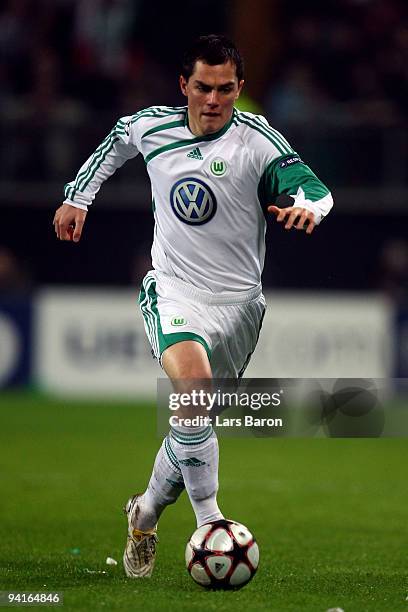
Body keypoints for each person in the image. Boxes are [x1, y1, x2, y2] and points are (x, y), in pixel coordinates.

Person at [53, 34, 333, 578]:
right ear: (185, 85)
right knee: (194, 392)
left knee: (192, 420)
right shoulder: (152, 125)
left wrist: (307, 209)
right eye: (203, 87)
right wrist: (76, 196)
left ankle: (147, 511)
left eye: (226, 89)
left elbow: (315, 188)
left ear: (239, 88)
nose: (213, 100)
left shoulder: (256, 140)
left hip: (241, 308)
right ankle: (212, 524)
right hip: (175, 289)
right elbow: (115, 142)